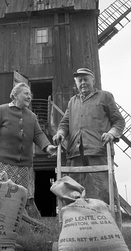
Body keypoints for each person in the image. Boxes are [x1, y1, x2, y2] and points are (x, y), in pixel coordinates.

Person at [53, 67, 125, 225]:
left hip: (99, 152)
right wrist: (60, 133)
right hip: (75, 154)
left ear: (93, 80)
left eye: (86, 79)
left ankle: (114, 229)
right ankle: (78, 228)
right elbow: (65, 123)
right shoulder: (73, 101)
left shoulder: (105, 97)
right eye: (79, 80)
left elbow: (118, 121)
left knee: (106, 192)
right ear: (76, 84)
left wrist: (112, 134)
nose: (83, 83)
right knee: (74, 194)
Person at [0, 82, 57, 218]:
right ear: (15, 95)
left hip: (24, 167)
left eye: (30, 95)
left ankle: (17, 227)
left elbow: (38, 134)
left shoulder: (32, 116)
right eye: (26, 93)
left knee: (20, 200)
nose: (29, 97)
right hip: (3, 165)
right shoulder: (2, 110)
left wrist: (47, 146)